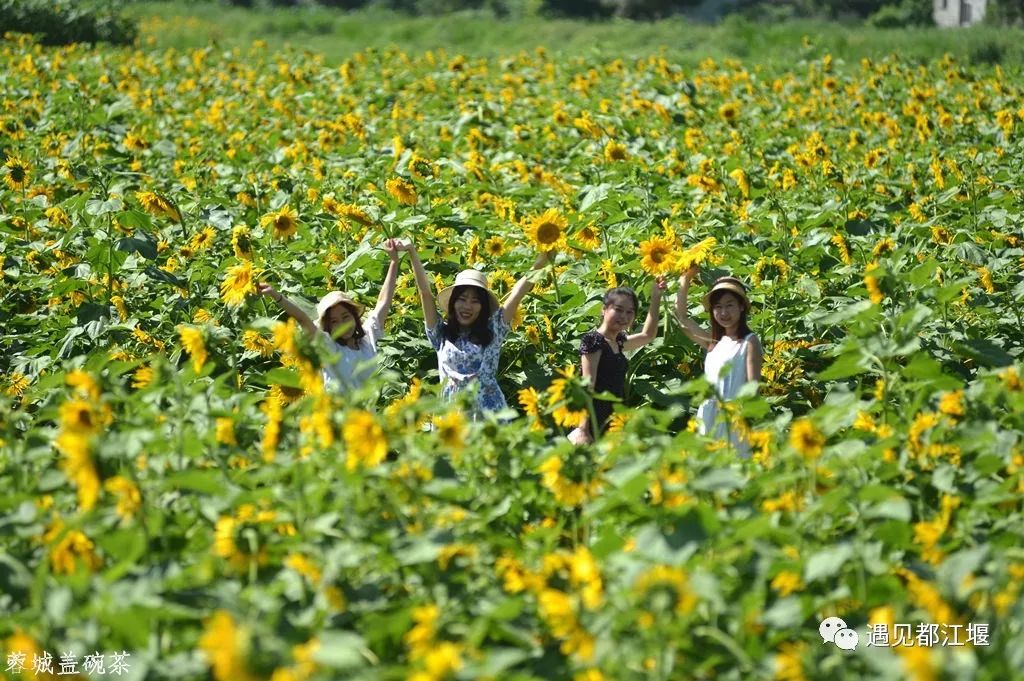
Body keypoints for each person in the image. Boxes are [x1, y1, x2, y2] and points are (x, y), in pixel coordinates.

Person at [401, 239, 549, 417]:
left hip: (488, 419)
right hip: (451, 422)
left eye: (475, 301)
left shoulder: (494, 330)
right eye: (462, 299)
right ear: (453, 302)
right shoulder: (441, 334)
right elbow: (425, 293)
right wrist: (411, 251)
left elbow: (518, 293)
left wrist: (543, 259)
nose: (467, 306)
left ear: (483, 307)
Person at [258, 239, 402, 392]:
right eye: (334, 321)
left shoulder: (367, 340)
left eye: (346, 317)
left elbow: (383, 302)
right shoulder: (328, 346)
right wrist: (277, 296)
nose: (342, 324)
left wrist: (394, 262)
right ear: (328, 326)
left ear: (354, 316)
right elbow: (302, 319)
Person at [674, 268, 762, 457]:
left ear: (741, 307)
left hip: (733, 417)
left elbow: (754, 388)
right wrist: (686, 278)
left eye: (729, 305)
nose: (724, 312)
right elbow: (681, 318)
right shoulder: (713, 343)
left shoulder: (749, 341)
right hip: (707, 415)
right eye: (718, 307)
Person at [569, 277, 666, 444]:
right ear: (604, 309)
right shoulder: (594, 341)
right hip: (593, 418)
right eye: (618, 310)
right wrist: (583, 429)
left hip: (613, 419)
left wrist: (656, 297)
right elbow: (587, 386)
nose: (624, 316)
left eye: (630, 312)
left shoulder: (618, 342)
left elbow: (648, 335)